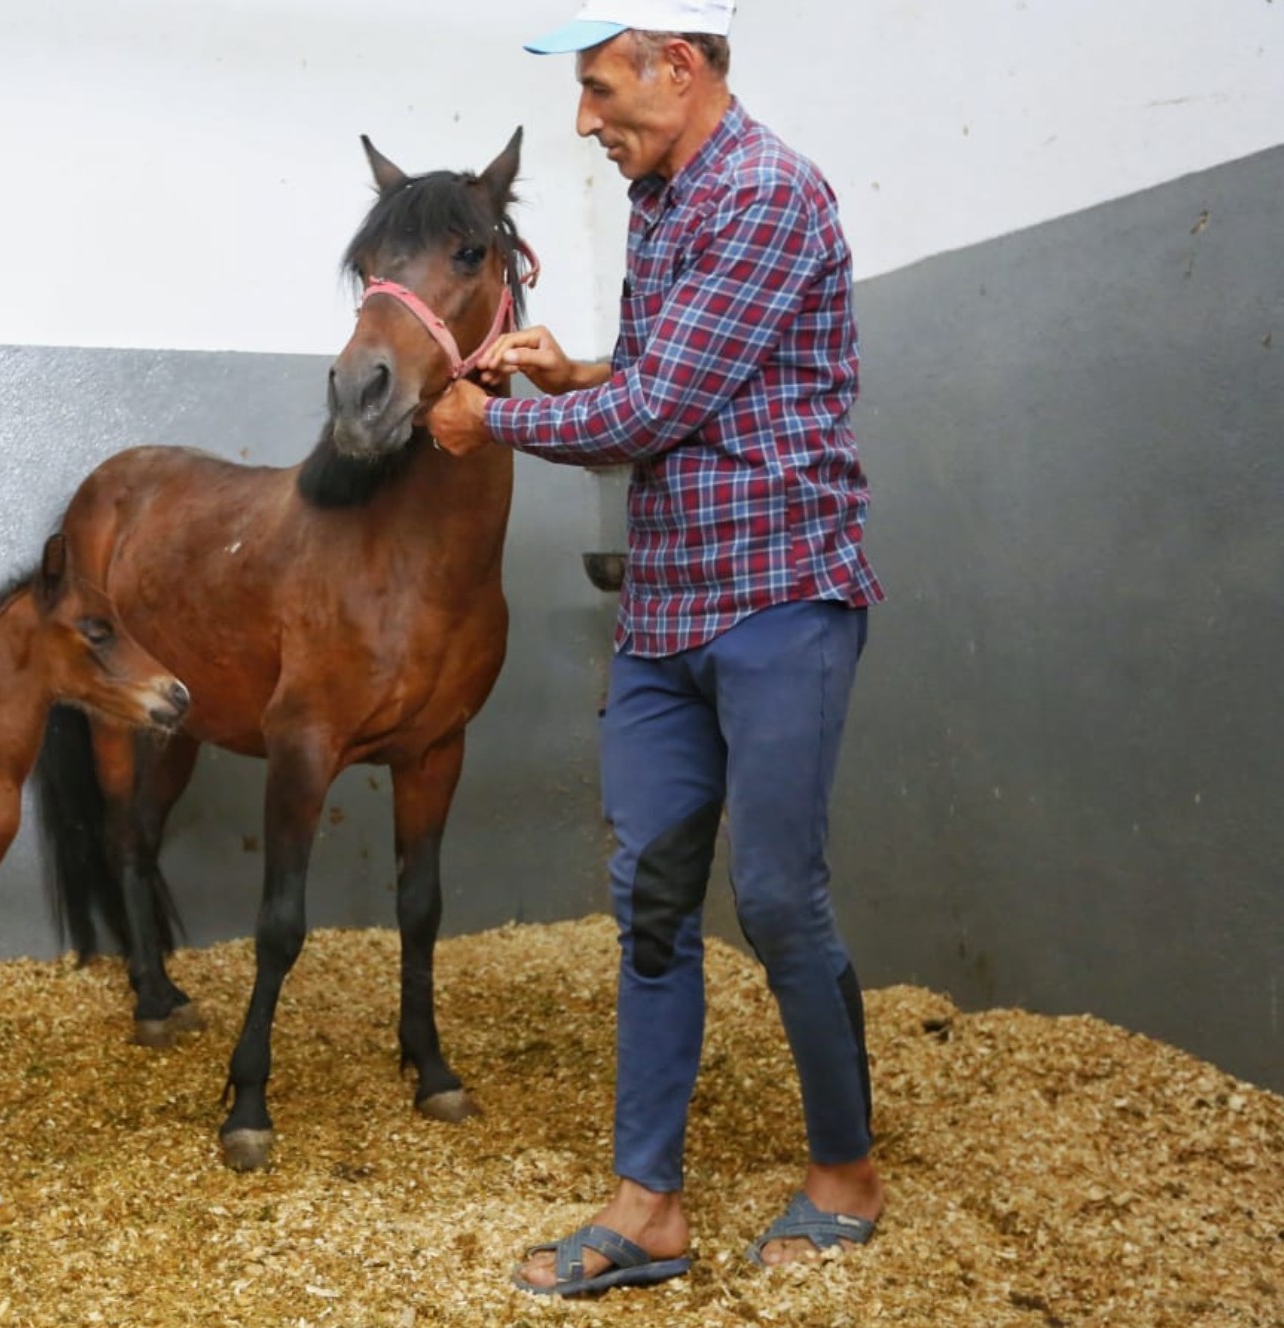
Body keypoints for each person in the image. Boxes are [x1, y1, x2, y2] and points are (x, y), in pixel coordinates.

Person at [425, 0, 888, 1298]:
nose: (585, 121)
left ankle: (845, 1173)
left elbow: (670, 406)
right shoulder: (665, 197)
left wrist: (496, 426)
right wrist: (574, 377)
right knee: (652, 904)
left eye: (599, 88)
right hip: (672, 608)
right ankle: (649, 1210)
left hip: (783, 594)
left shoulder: (767, 192)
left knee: (782, 895)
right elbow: (670, 374)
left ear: (676, 64)